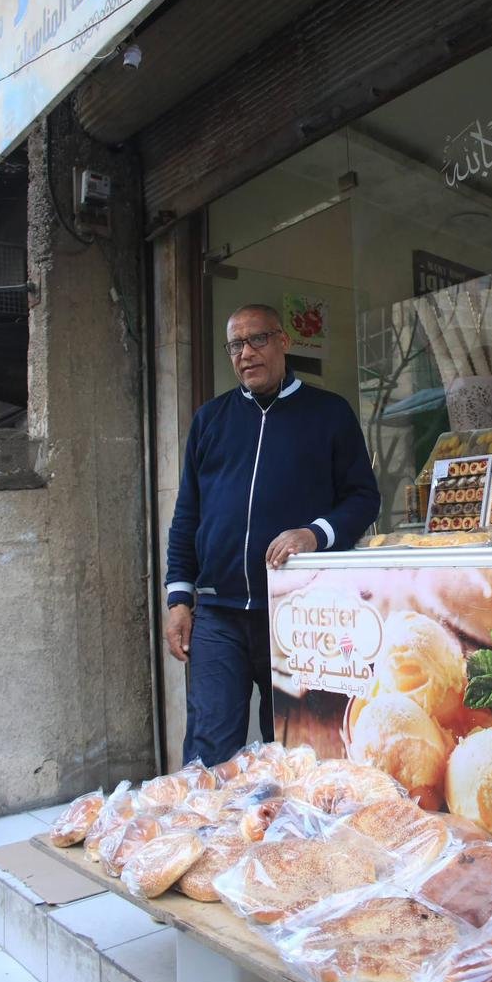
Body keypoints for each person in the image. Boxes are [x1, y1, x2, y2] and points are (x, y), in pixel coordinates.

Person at [164, 303, 380, 765]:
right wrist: (178, 597)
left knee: (293, 753)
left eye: (257, 339)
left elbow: (363, 498)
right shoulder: (210, 420)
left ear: (283, 341)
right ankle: (207, 816)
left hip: (298, 612)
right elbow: (187, 515)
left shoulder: (328, 413)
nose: (246, 353)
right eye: (235, 345)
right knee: (208, 750)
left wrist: (315, 534)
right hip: (218, 613)